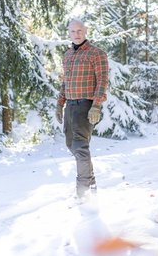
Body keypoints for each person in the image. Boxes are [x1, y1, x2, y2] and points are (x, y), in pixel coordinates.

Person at [55, 19, 109, 199]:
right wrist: (59, 103)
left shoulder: (96, 54)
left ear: (85, 31)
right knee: (71, 144)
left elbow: (102, 81)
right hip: (70, 106)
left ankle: (83, 192)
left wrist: (96, 105)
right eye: (72, 31)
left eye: (79, 30)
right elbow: (65, 81)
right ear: (69, 33)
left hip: (86, 105)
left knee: (80, 147)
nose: (76, 34)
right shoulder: (68, 55)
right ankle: (91, 182)